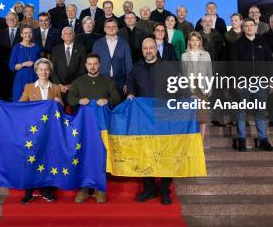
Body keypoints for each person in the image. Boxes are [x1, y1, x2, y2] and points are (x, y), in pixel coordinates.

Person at [126, 38, 183, 205]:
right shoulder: (136, 67)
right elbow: (130, 84)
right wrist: (130, 93)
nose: (148, 51)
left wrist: (188, 97)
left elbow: (179, 86)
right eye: (145, 48)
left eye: (151, 48)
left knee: (166, 154)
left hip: (164, 116)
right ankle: (149, 189)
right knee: (146, 153)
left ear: (156, 49)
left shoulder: (168, 66)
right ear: (142, 50)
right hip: (144, 118)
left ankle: (165, 190)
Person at [68, 53, 121, 204]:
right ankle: (84, 189)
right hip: (83, 128)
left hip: (102, 128)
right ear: (85, 65)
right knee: (84, 155)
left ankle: (99, 189)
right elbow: (70, 99)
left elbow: (117, 97)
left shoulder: (107, 81)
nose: (92, 66)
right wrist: (79, 100)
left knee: (100, 155)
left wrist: (108, 100)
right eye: (89, 64)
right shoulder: (78, 82)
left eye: (95, 64)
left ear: (100, 65)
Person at [17, 58, 63, 204]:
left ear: (50, 71)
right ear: (36, 71)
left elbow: (60, 110)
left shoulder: (55, 88)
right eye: (41, 69)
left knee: (48, 159)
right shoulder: (29, 87)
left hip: (50, 130)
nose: (44, 72)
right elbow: (20, 105)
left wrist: (60, 102)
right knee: (31, 159)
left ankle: (47, 191)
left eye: (46, 69)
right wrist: (5, 109)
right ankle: (28, 192)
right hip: (33, 130)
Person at [230, 18, 273, 152]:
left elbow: (270, 62)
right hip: (244, 83)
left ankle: (263, 140)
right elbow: (233, 66)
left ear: (255, 27)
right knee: (242, 111)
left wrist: (271, 80)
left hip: (261, 83)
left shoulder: (263, 43)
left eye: (251, 25)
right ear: (243, 28)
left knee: (260, 111)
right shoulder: (237, 44)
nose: (249, 28)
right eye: (246, 26)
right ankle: (242, 140)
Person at [181, 31, 213, 140]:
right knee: (190, 116)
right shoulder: (184, 56)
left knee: (202, 117)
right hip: (190, 88)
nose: (195, 42)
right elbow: (183, 74)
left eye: (197, 40)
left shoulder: (206, 54)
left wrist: (209, 88)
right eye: (192, 40)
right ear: (189, 42)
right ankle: (191, 142)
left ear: (200, 42)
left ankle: (201, 141)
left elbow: (209, 73)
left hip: (203, 88)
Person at [92, 18, 133, 93]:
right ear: (104, 29)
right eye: (108, 27)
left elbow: (129, 65)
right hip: (101, 82)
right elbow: (93, 63)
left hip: (120, 83)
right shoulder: (97, 44)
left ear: (117, 29)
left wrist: (127, 83)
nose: (111, 29)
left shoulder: (124, 44)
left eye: (113, 27)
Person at [50, 27, 86, 102]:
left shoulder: (81, 49)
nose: (68, 35)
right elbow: (52, 70)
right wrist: (59, 85)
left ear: (74, 35)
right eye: (66, 33)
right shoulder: (55, 49)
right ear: (62, 36)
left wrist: (72, 85)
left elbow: (82, 70)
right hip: (59, 87)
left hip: (75, 87)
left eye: (70, 33)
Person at [9, 25, 41, 102]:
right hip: (21, 79)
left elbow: (39, 65)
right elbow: (11, 66)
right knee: (19, 101)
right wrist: (23, 64)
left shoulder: (36, 47)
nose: (28, 35)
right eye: (25, 33)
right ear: (21, 34)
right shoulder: (16, 47)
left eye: (30, 33)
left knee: (34, 103)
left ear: (32, 34)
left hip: (34, 78)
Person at [0, 12, 21, 100]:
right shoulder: (0, 34)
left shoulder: (23, 33)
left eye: (13, 18)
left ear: (17, 20)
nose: (11, 20)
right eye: (8, 19)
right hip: (4, 68)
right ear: (6, 21)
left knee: (18, 93)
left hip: (19, 68)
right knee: (4, 93)